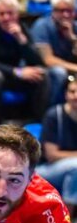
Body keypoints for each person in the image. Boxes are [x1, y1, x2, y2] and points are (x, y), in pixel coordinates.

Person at [0, 0, 53, 123]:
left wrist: (22, 40)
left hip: (16, 74)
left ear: (17, 14)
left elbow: (37, 61)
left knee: (41, 73)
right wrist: (16, 72)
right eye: (2, 14)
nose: (6, 18)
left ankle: (38, 123)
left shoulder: (21, 28)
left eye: (10, 13)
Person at [35, 75, 77, 213]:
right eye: (72, 92)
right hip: (46, 169)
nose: (75, 96)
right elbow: (52, 155)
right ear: (66, 94)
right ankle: (65, 219)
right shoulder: (54, 115)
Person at [30, 0, 77, 101]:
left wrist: (72, 38)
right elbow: (48, 60)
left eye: (69, 11)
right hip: (41, 69)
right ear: (53, 12)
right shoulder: (42, 26)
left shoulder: (75, 27)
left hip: (70, 69)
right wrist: (75, 68)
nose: (65, 14)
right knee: (59, 73)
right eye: (61, 11)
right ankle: (51, 113)